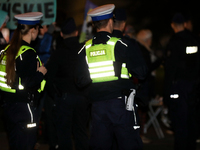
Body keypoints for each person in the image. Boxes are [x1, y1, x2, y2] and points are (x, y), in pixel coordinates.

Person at [75, 4, 147, 150]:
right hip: (121, 106)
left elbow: (80, 81)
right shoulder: (121, 45)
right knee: (129, 144)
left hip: (98, 108)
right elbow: (142, 73)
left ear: (95, 24)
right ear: (110, 22)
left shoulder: (85, 48)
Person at [0, 12, 47, 150]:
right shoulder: (28, 53)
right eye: (38, 29)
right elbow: (28, 83)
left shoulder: (7, 50)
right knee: (27, 144)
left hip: (8, 107)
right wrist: (41, 73)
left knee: (15, 144)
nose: (38, 33)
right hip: (24, 108)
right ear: (33, 30)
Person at [45, 17, 90, 150]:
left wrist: (56, 95)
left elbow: (49, 78)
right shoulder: (84, 50)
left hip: (64, 98)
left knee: (64, 134)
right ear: (76, 32)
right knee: (81, 132)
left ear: (61, 34)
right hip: (82, 97)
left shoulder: (57, 53)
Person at [164, 12, 200, 150]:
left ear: (173, 25)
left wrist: (166, 93)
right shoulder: (194, 39)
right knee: (191, 119)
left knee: (180, 121)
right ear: (184, 24)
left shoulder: (175, 42)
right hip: (193, 86)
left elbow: (170, 70)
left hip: (179, 87)